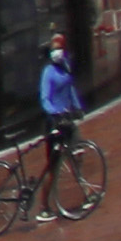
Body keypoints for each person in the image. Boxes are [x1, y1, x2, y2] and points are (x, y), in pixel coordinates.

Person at [33, 32, 87, 196]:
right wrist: (55, 113)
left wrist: (77, 108)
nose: (57, 51)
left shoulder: (65, 66)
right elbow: (45, 99)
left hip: (67, 119)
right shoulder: (48, 72)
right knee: (53, 167)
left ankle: (85, 192)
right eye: (54, 48)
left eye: (60, 48)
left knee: (78, 152)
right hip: (54, 123)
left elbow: (70, 90)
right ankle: (44, 207)